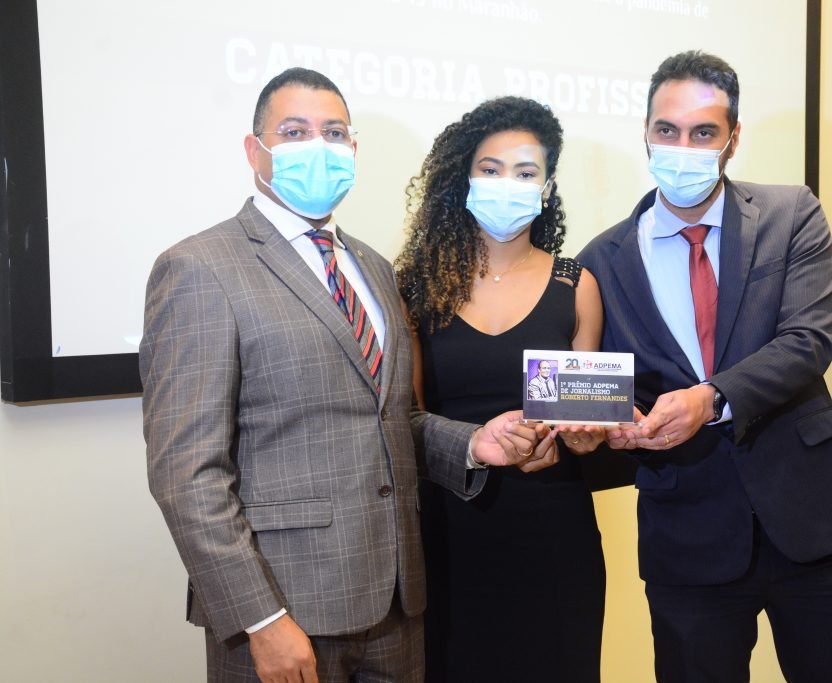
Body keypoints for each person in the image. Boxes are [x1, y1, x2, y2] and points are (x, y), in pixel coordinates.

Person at [140, 68, 558, 683]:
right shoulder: (199, 267)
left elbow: (390, 420)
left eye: (334, 133)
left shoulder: (373, 268)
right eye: (295, 132)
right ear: (254, 150)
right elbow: (185, 474)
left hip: (396, 603)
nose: (319, 148)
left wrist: (473, 444)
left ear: (353, 150)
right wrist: (261, 619)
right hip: (285, 609)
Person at [578, 51, 832, 682]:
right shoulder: (600, 260)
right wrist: (617, 425)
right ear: (645, 132)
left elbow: (807, 341)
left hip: (812, 514)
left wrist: (710, 398)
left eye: (703, 132)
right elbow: (611, 390)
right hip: (687, 533)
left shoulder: (791, 213)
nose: (682, 148)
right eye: (667, 130)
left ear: (733, 138)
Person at [394, 96, 606, 683]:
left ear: (547, 186)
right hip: (448, 532)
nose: (507, 183)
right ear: (463, 177)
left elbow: (582, 414)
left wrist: (584, 438)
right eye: (490, 169)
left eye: (525, 172)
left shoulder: (576, 284)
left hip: (555, 529)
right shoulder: (413, 287)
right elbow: (404, 421)